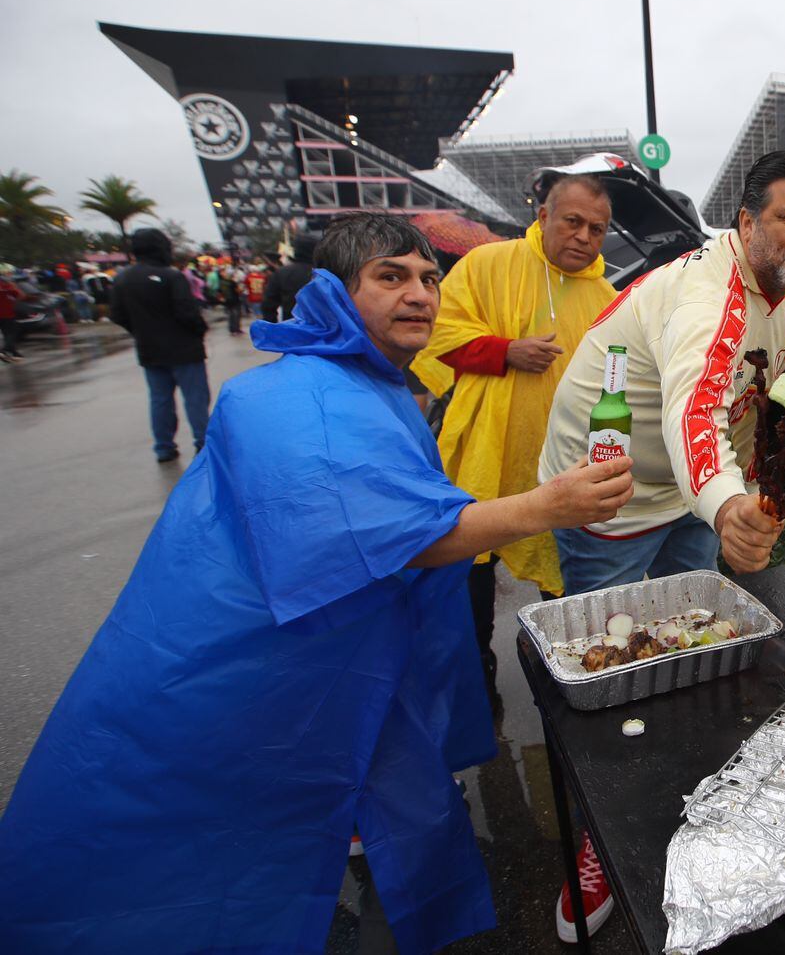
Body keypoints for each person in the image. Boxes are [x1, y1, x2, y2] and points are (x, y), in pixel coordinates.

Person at [0, 213, 634, 954]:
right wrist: (544, 506)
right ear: (333, 290)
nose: (421, 295)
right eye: (391, 276)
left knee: (371, 793)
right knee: (189, 871)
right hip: (238, 678)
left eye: (430, 279)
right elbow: (389, 535)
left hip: (335, 661)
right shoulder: (292, 397)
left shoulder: (368, 377)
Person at [533, 151, 785, 941]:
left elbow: (766, 390)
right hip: (611, 487)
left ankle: (680, 792)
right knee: (610, 666)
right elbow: (695, 409)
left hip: (689, 491)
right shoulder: (710, 293)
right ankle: (597, 838)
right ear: (745, 222)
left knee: (693, 648)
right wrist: (730, 503)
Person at [410, 175, 617, 691]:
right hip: (488, 447)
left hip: (561, 462)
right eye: (572, 221)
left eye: (597, 228)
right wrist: (504, 352)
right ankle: (475, 676)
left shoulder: (608, 296)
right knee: (470, 567)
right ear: (543, 216)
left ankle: (564, 676)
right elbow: (438, 334)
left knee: (563, 574)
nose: (584, 236)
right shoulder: (488, 264)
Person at [110, 227, 211, 463]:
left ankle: (164, 447)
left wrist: (139, 331)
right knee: (195, 398)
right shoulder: (172, 276)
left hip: (150, 349)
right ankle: (203, 443)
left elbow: (117, 314)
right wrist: (199, 330)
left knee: (160, 399)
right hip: (184, 349)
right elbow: (187, 312)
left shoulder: (123, 278)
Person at [262, 232, 318, 322]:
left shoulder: (282, 273)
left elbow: (269, 305)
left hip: (291, 327)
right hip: (323, 331)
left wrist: (273, 329)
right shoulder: (325, 273)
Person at [0, 268, 23, 362]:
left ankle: (14, 353)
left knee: (6, 334)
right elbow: (20, 295)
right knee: (12, 333)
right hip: (8, 314)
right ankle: (4, 351)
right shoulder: (8, 286)